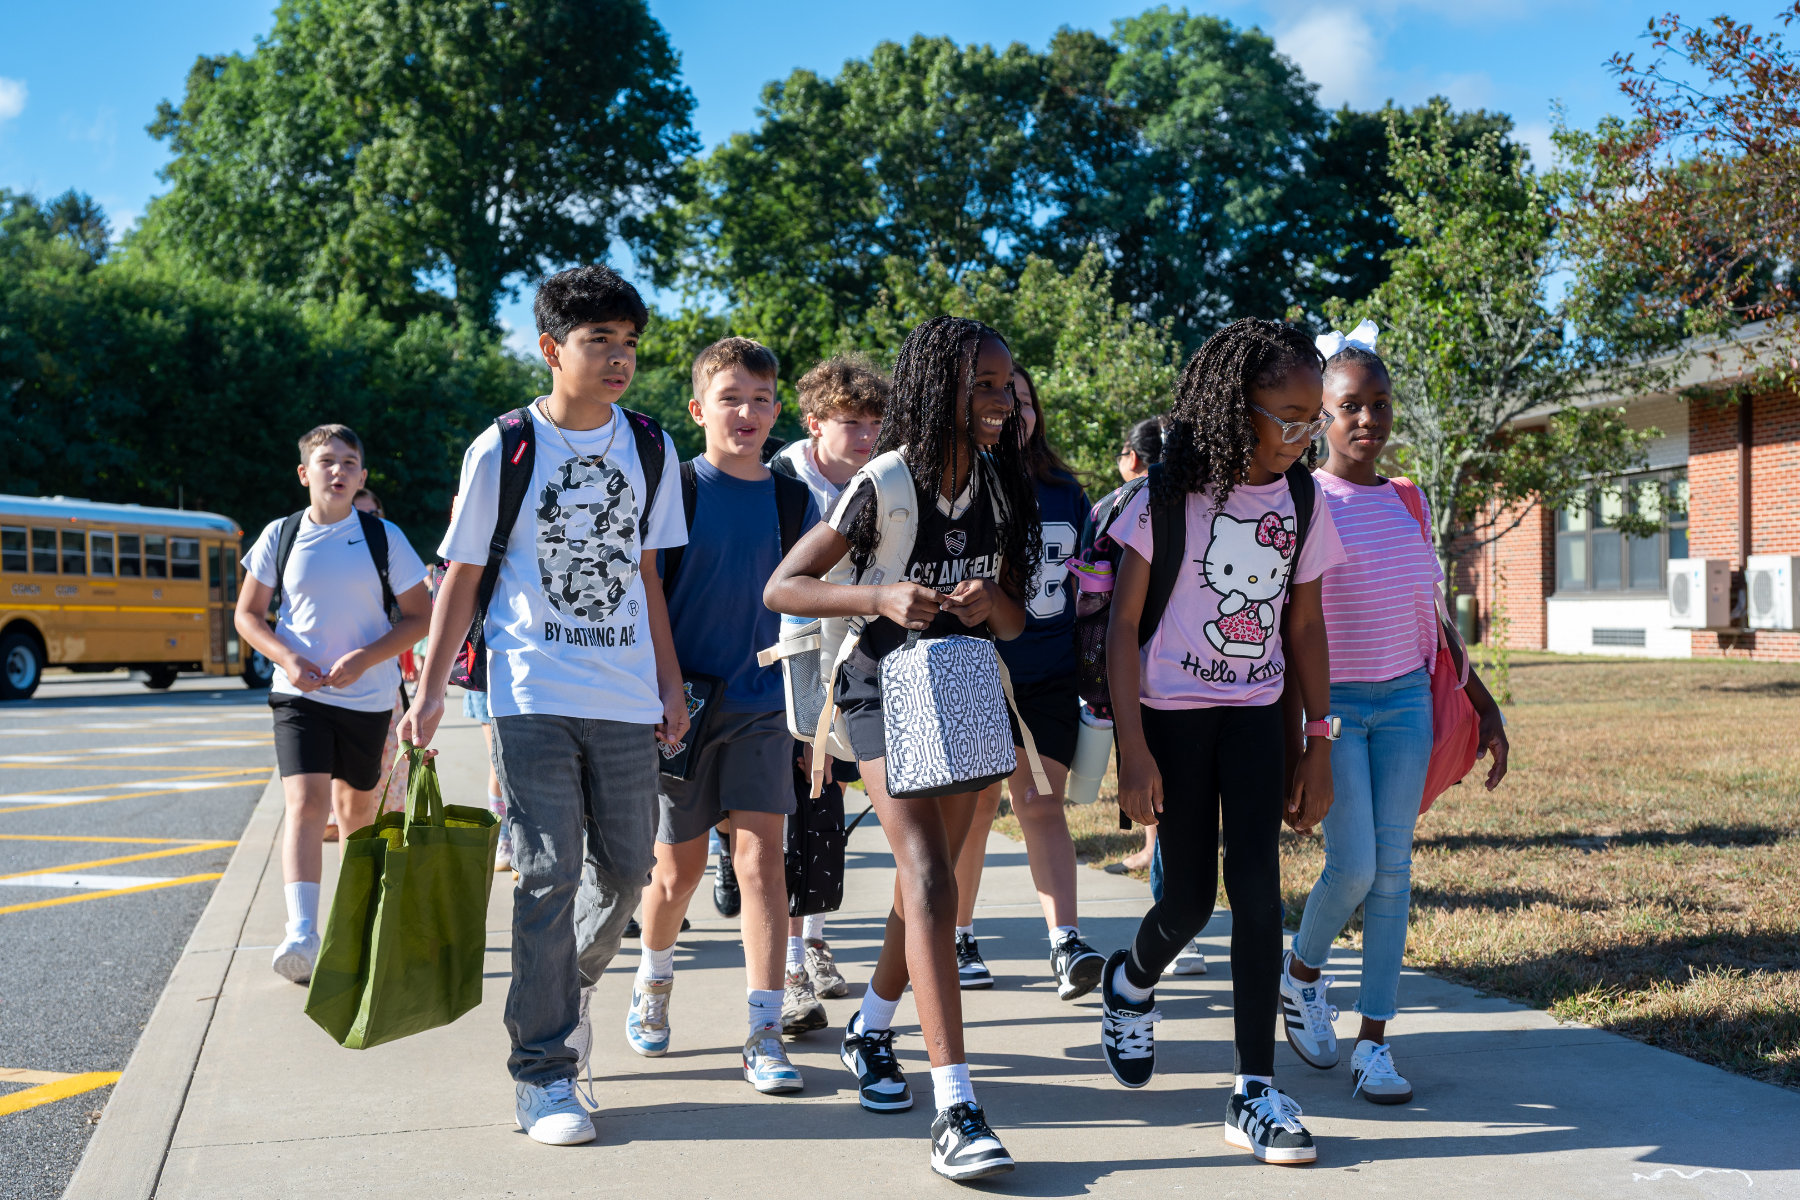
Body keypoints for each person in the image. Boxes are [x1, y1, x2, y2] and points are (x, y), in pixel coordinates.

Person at [400, 265, 688, 1148]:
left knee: (631, 871)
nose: (619, 359)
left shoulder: (650, 445)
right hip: (530, 692)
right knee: (547, 871)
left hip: (627, 691)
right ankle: (544, 1071)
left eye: (629, 343)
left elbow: (646, 575)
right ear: (552, 346)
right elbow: (463, 575)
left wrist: (671, 684)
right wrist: (431, 691)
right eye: (600, 341)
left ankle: (561, 994)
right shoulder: (505, 446)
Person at [764, 316, 1039, 1182]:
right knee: (924, 873)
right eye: (982, 385)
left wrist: (986, 599)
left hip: (960, 684)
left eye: (1005, 385)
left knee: (939, 879)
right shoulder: (884, 481)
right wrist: (880, 595)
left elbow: (1018, 621)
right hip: (880, 688)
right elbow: (785, 587)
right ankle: (956, 1106)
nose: (999, 401)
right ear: (936, 388)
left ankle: (869, 1029)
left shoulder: (1002, 484)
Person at [1097, 318, 1345, 1166]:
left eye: (1314, 418)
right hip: (1169, 718)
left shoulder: (1304, 498)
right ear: (1236, 408)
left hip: (1254, 715)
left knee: (1259, 893)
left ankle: (1254, 1091)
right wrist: (1134, 750)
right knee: (1189, 897)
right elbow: (1122, 629)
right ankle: (1129, 983)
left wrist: (1319, 739)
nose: (1303, 435)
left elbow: (1305, 624)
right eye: (1287, 416)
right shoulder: (1164, 496)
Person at [1283, 325, 1511, 1104]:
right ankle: (1302, 971)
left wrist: (1481, 702)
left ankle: (1374, 1043)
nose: (1367, 420)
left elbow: (1434, 616)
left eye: (1379, 405)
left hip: (1408, 699)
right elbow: (1286, 622)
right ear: (1322, 415)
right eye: (1350, 406)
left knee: (1394, 875)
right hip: (1335, 707)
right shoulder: (1300, 497)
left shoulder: (1409, 498)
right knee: (1354, 866)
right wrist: (1295, 732)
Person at [628, 337, 822, 1092]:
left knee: (760, 864)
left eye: (762, 401)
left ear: (778, 411)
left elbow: (809, 612)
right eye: (732, 398)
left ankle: (764, 1030)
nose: (747, 413)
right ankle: (653, 981)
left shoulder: (790, 498)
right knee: (673, 877)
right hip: (682, 706)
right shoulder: (672, 489)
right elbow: (647, 601)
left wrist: (814, 720)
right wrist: (663, 692)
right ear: (697, 407)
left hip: (762, 706)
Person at [234, 426, 431, 985]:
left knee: (357, 815)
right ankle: (301, 932)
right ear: (305, 473)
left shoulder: (383, 536)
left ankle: (358, 926)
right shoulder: (281, 535)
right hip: (299, 695)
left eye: (350, 463)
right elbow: (247, 614)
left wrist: (366, 658)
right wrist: (288, 659)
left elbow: (419, 617)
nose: (338, 471)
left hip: (367, 699)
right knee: (304, 803)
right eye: (326, 461)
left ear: (362, 477)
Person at [950, 365, 1107, 999]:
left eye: (1022, 400)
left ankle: (1065, 942)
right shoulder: (960, 484)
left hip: (1047, 672)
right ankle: (956, 933)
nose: (1011, 410)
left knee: (1041, 803)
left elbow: (1089, 588)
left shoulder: (1067, 491)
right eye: (995, 397)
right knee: (975, 807)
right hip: (976, 669)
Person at [771, 355, 888, 1014]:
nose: (865, 435)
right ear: (815, 423)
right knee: (795, 805)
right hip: (791, 661)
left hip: (857, 653)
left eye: (874, 422)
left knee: (828, 807)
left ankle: (815, 942)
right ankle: (788, 962)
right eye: (851, 422)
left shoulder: (882, 479)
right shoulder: (782, 481)